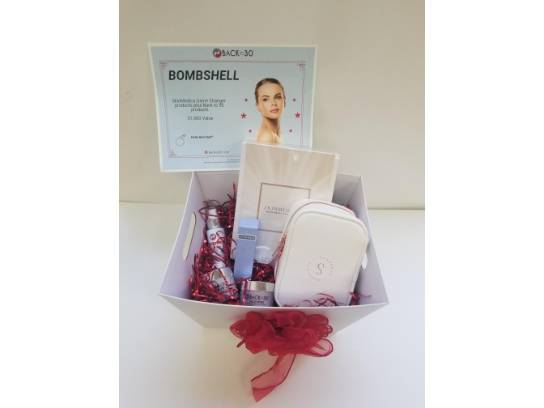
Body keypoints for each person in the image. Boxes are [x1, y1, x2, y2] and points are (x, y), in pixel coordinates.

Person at [254, 78, 285, 144]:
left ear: (284, 101)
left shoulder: (275, 134)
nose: (273, 103)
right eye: (265, 99)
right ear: (258, 105)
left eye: (278, 97)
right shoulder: (267, 136)